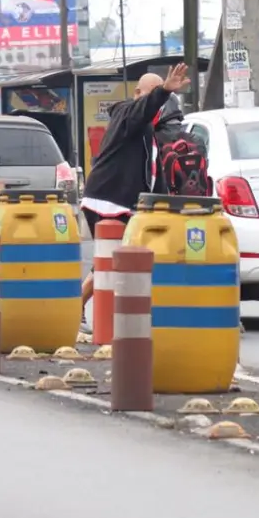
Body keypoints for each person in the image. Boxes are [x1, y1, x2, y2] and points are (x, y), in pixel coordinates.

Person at [78, 63, 190, 332]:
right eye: (150, 95)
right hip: (108, 200)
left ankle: (115, 313)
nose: (156, 104)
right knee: (118, 257)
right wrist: (162, 90)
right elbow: (144, 108)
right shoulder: (126, 113)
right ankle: (85, 308)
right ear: (138, 92)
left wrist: (166, 206)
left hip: (121, 201)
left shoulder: (146, 130)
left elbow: (152, 175)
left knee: (121, 257)